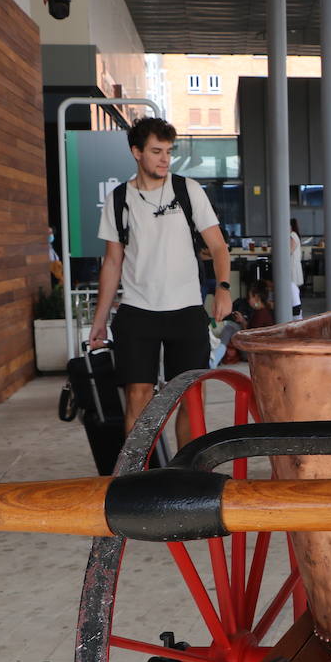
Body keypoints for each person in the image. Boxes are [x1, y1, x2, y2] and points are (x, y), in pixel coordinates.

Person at [87, 117, 231, 447]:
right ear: (136, 152)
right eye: (156, 151)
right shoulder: (119, 199)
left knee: (191, 398)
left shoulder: (187, 190)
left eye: (168, 151)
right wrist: (99, 321)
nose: (164, 159)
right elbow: (112, 262)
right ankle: (138, 480)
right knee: (138, 397)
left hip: (186, 310)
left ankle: (187, 479)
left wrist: (223, 289)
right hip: (138, 311)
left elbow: (219, 246)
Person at [288, 218, 303, 317]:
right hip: (294, 266)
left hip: (293, 266)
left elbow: (289, 250)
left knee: (293, 290)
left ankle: (296, 312)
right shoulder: (294, 235)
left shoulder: (292, 235)